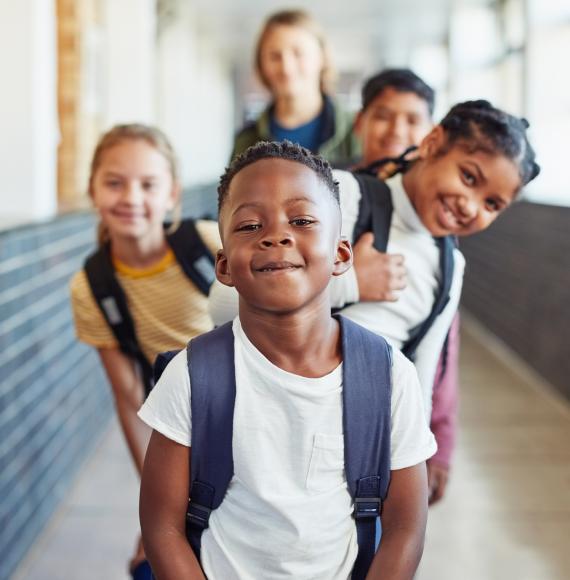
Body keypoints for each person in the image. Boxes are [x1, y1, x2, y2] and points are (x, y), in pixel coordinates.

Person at [207, 99, 540, 504]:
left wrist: (415, 467)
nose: (470, 206)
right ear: (433, 142)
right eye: (469, 177)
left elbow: (420, 376)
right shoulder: (339, 197)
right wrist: (352, 284)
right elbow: (223, 305)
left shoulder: (451, 267)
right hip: (260, 432)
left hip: (355, 458)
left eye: (492, 204)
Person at [139, 141, 436, 579]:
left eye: (301, 220)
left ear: (341, 255)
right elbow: (161, 527)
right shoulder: (193, 375)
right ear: (224, 266)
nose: (276, 235)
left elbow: (405, 529)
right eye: (249, 225)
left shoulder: (389, 377)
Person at [69, 124, 220, 578]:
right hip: (179, 424)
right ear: (93, 189)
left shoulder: (211, 244)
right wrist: (156, 505)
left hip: (246, 405)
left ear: (171, 194)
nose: (130, 197)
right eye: (114, 182)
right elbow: (131, 397)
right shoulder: (92, 287)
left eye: (148, 184)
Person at [352, 68, 457, 504]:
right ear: (359, 122)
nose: (397, 129)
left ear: (431, 134)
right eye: (383, 115)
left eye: (412, 118)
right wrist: (348, 282)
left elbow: (443, 340)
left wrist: (440, 438)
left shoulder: (437, 218)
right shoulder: (327, 192)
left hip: (399, 421)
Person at [231, 9, 360, 165]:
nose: (286, 68)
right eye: (274, 56)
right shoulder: (246, 140)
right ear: (261, 64)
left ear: (321, 57)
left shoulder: (358, 130)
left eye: (298, 53)